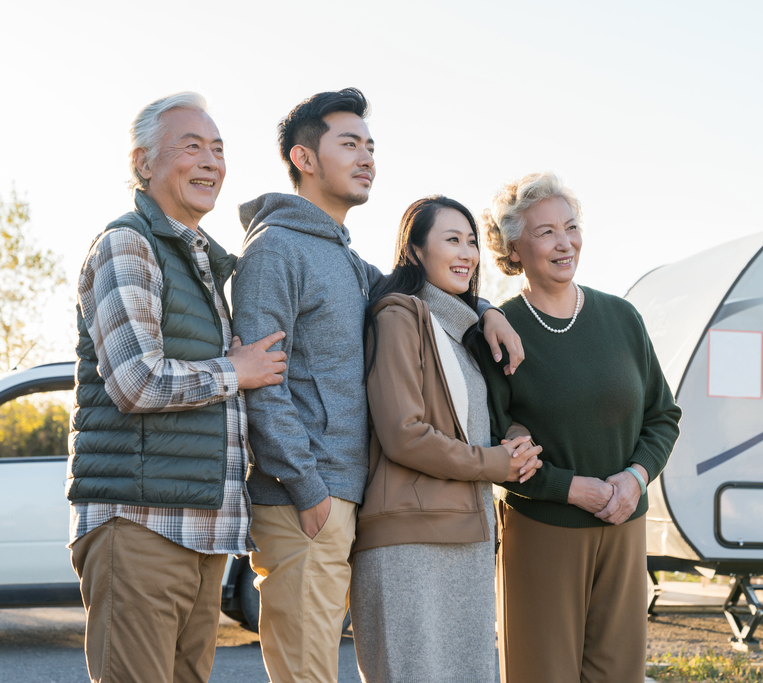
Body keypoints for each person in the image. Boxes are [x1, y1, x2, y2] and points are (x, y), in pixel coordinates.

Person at [231, 88, 524, 683]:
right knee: (307, 673)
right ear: (304, 158)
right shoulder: (276, 250)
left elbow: (420, 284)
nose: (366, 157)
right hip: (305, 499)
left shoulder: (344, 259)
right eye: (349, 144)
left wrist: (487, 307)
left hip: (347, 498)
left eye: (370, 146)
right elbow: (261, 380)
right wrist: (308, 488)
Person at [66, 92, 287, 683]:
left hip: (204, 535)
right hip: (140, 527)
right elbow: (136, 382)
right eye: (192, 147)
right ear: (143, 163)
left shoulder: (197, 260)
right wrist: (234, 372)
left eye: (219, 149)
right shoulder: (127, 244)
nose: (211, 161)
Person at [479, 172, 682, 683]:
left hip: (624, 523)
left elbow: (663, 416)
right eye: (545, 232)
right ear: (514, 248)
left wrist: (635, 478)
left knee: (620, 675)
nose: (564, 242)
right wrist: (571, 488)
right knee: (540, 674)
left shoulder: (622, 318)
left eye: (570, 227)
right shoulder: (501, 330)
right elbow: (491, 443)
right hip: (542, 532)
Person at [350, 196, 542, 683]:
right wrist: (494, 464)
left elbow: (478, 423)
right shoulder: (398, 315)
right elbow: (404, 435)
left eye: (472, 241)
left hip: (468, 537)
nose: (468, 253)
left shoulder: (463, 330)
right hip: (409, 543)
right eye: (451, 240)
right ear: (414, 251)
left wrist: (514, 442)